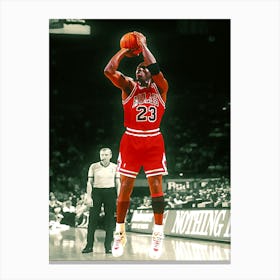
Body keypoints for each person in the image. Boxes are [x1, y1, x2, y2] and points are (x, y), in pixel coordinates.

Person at [104, 31, 169, 259]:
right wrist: (125, 49)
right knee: (126, 186)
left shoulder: (160, 87)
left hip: (153, 139)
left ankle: (158, 233)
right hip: (131, 139)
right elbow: (108, 71)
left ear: (149, 73)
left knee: (156, 185)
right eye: (137, 69)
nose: (139, 71)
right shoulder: (128, 87)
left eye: (142, 68)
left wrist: (142, 46)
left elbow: (156, 69)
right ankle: (119, 232)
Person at [81, 147, 120, 254]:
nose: (104, 157)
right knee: (92, 220)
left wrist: (119, 196)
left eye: (106, 155)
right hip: (97, 192)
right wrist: (89, 196)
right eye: (102, 155)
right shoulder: (93, 166)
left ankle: (108, 246)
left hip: (110, 192)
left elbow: (118, 183)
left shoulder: (115, 167)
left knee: (110, 221)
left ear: (111, 155)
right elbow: (89, 182)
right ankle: (89, 246)